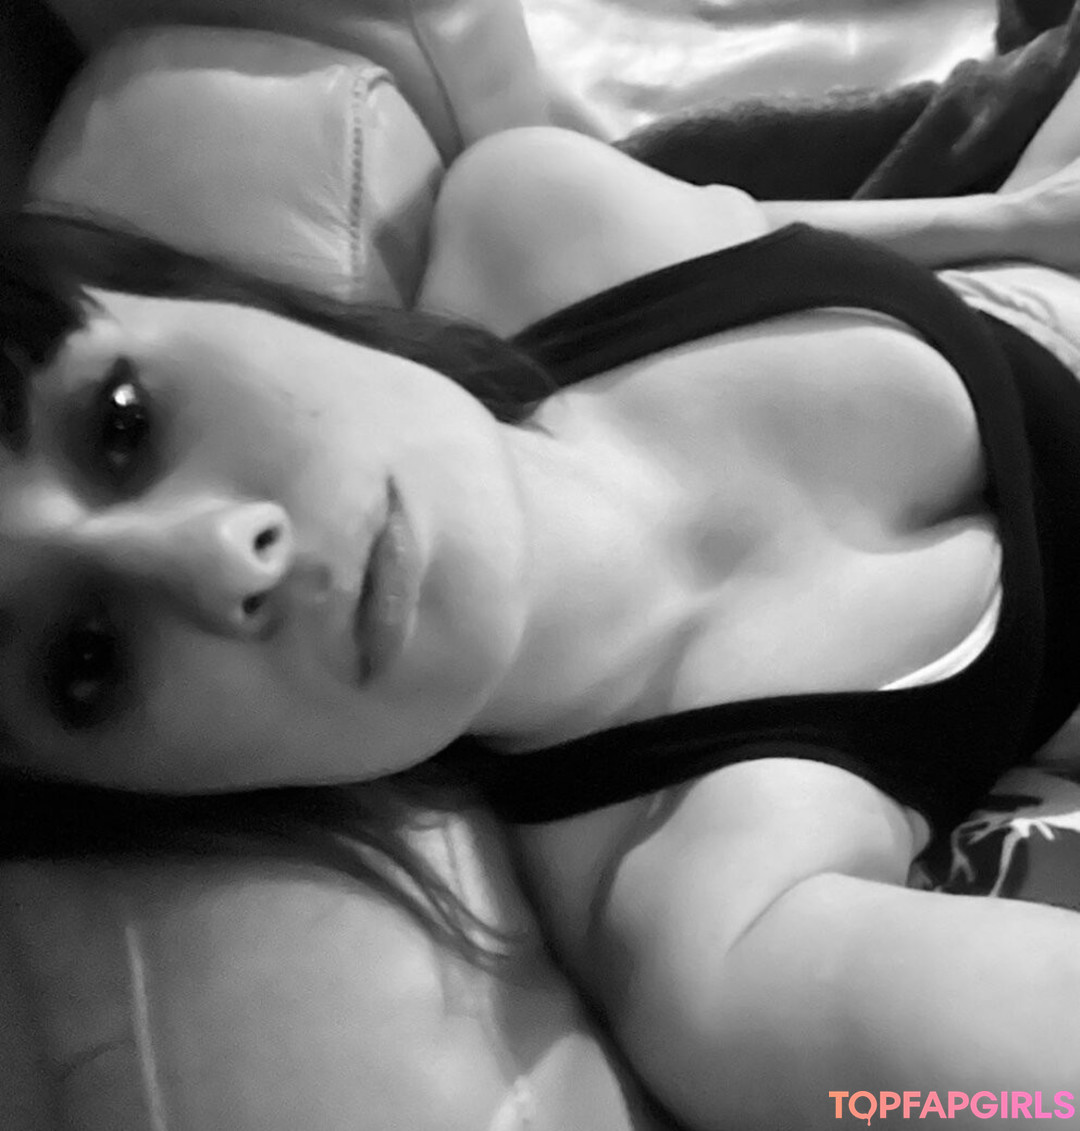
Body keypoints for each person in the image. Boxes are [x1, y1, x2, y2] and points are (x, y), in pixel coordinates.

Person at [10, 72, 1080, 1127]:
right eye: (86, 660)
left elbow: (765, 226)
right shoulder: (716, 927)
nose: (220, 558)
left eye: (121, 422)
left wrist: (1013, 216)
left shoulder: (531, 219)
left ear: (193, 294)